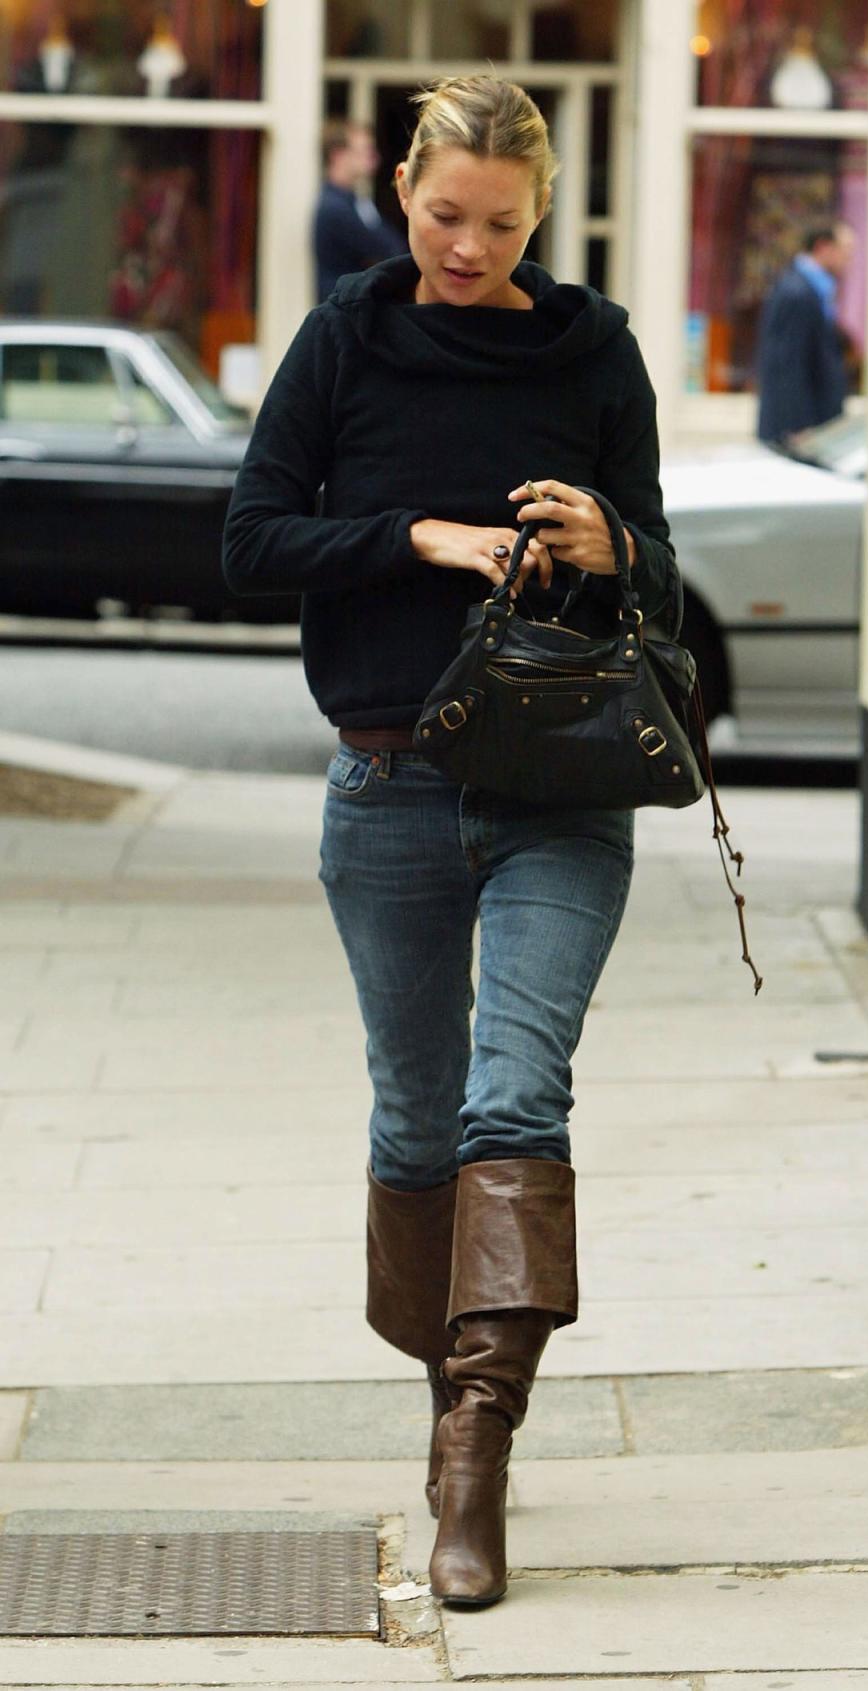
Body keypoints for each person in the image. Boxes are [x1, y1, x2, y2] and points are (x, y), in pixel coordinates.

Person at [223, 74, 681, 1609]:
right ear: (404, 189)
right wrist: (413, 534)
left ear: (539, 214)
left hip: (562, 786)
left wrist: (613, 546)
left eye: (500, 222)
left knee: (514, 1091)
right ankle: (447, 1396)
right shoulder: (349, 333)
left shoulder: (596, 347)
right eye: (442, 215)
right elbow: (248, 539)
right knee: (417, 1126)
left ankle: (476, 1455)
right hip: (390, 780)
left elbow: (661, 581)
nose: (469, 246)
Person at [756, 220, 856, 443]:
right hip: (799, 431)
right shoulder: (797, 291)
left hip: (817, 424)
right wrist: (797, 424)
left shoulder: (816, 288)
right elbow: (787, 363)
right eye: (845, 250)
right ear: (823, 247)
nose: (849, 259)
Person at [312, 118, 406, 301]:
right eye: (364, 151)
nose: (374, 158)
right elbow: (389, 249)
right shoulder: (335, 207)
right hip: (340, 311)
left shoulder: (352, 200)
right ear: (338, 155)